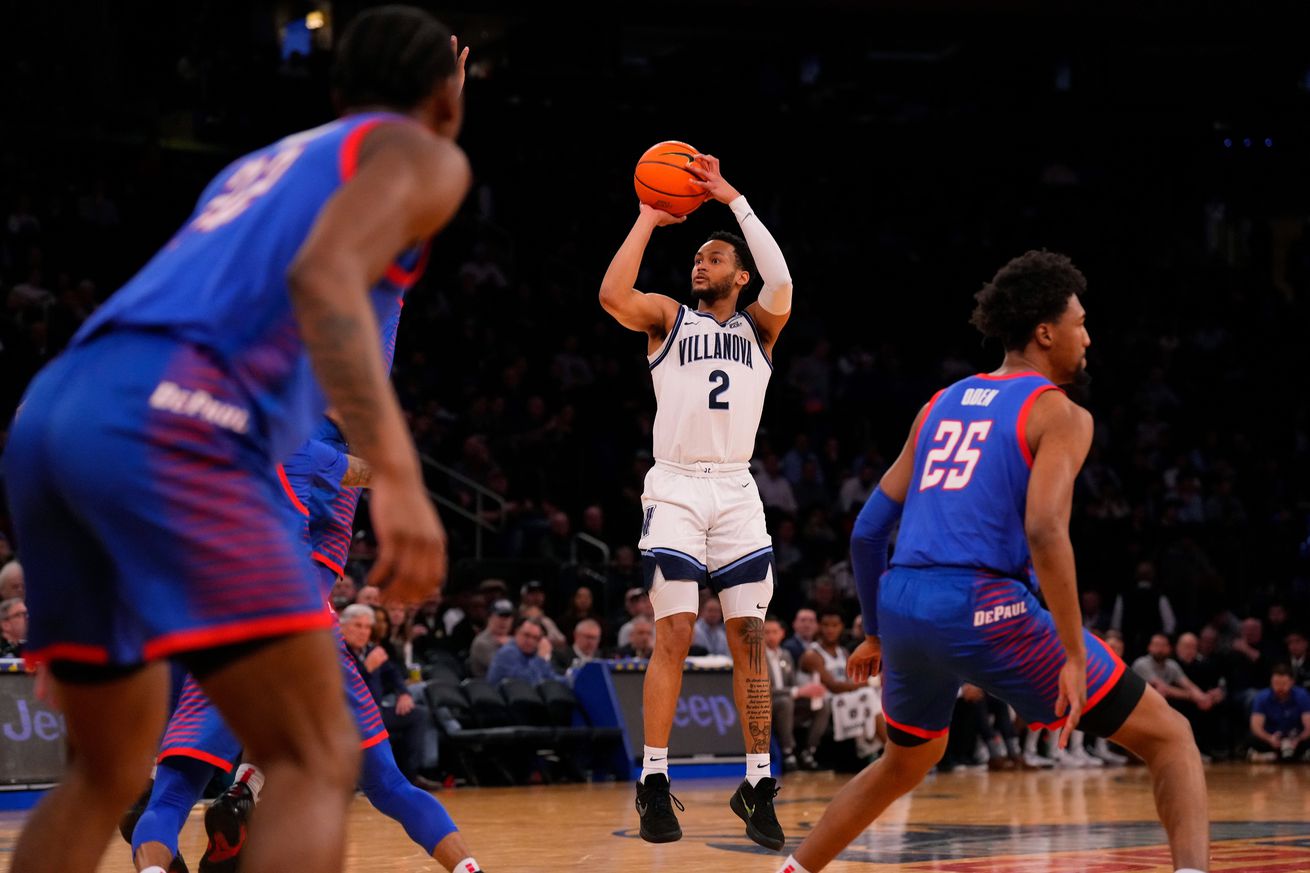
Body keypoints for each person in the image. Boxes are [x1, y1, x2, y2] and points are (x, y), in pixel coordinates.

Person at [3, 8, 471, 873]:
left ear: (336, 90)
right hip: (180, 424)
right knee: (314, 755)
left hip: (56, 413)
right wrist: (399, 478)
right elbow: (324, 276)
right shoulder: (420, 153)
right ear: (445, 94)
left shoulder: (261, 163)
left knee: (105, 770)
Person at [775, 251, 1208, 873]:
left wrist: (874, 630)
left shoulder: (940, 403)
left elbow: (868, 532)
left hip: (901, 603)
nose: (1088, 335)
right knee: (1171, 738)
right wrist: (1075, 654)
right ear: (1045, 331)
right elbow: (1044, 528)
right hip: (981, 604)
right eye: (1080, 322)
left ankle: (792, 872)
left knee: (905, 760)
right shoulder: (1059, 411)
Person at [600, 153, 794, 849]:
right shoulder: (668, 320)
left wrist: (733, 200)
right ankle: (654, 780)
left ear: (740, 276)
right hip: (678, 484)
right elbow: (612, 293)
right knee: (676, 630)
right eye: (698, 258)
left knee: (749, 641)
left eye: (714, 257)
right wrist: (649, 218)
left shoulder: (759, 329)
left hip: (737, 490)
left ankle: (758, 783)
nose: (700, 264)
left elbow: (783, 278)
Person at [764, 617, 825, 771]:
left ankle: (809, 751)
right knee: (786, 701)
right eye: (766, 632)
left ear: (782, 634)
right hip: (767, 704)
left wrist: (808, 690)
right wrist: (798, 691)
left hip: (788, 701)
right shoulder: (757, 657)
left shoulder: (786, 655)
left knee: (823, 704)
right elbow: (763, 689)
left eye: (774, 632)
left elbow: (793, 685)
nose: (771, 636)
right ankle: (788, 752)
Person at [1248, 664, 1310, 762]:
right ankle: (1294, 756)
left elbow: (1308, 726)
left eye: (1284, 684)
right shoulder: (1262, 697)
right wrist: (1269, 738)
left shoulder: (1302, 695)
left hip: (1295, 738)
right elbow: (1256, 726)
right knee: (1251, 738)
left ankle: (1273, 757)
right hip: (1272, 739)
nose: (1280, 688)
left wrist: (1299, 739)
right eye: (1276, 683)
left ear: (1292, 682)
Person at [487, 616, 557, 685]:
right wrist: (541, 658)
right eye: (526, 635)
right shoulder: (507, 653)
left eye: (535, 638)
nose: (530, 641)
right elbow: (525, 683)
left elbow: (551, 678)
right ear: (517, 633)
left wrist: (567, 679)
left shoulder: (534, 654)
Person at [469, 599, 515, 679]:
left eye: (507, 617)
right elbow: (504, 669)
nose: (504, 621)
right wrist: (511, 646)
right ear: (489, 618)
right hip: (488, 688)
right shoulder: (482, 642)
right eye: (500, 616)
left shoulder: (512, 640)